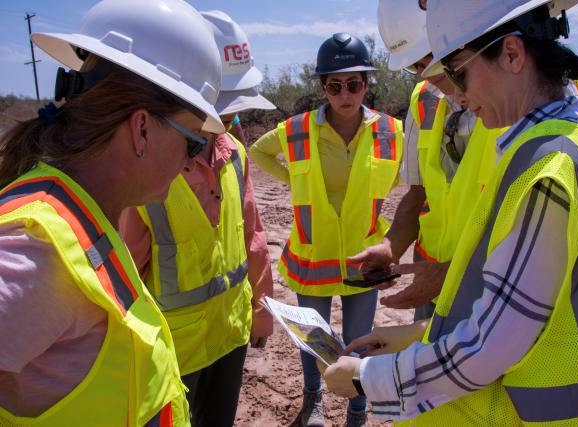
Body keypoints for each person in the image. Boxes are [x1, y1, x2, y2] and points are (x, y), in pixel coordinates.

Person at [321, 0, 578, 425]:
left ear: (513, 54)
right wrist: (420, 335)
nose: (457, 93)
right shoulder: (561, 143)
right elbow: (525, 314)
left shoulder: (547, 167)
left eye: (458, 70)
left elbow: (490, 347)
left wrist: (369, 377)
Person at [0, 0, 225, 425]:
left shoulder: (87, 216)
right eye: (194, 142)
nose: (191, 163)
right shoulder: (38, 248)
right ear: (142, 128)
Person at [119, 10, 275, 427]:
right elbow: (124, 274)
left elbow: (253, 238)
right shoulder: (145, 174)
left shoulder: (235, 155)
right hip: (173, 350)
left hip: (231, 333)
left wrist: (261, 310)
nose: (229, 123)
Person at [249, 33, 404, 427]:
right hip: (311, 254)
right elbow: (258, 151)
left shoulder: (392, 131)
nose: (345, 93)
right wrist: (292, 180)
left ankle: (356, 411)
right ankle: (313, 401)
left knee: (357, 341)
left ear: (367, 84)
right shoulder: (297, 130)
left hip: (362, 257)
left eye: (354, 83)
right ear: (323, 87)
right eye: (334, 85)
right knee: (313, 341)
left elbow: (414, 177)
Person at [357, 0, 507, 322]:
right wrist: (391, 246)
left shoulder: (517, 105)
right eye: (415, 65)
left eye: (436, 60)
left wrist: (452, 275)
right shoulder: (423, 101)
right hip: (431, 283)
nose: (427, 75)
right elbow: (418, 193)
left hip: (495, 294)